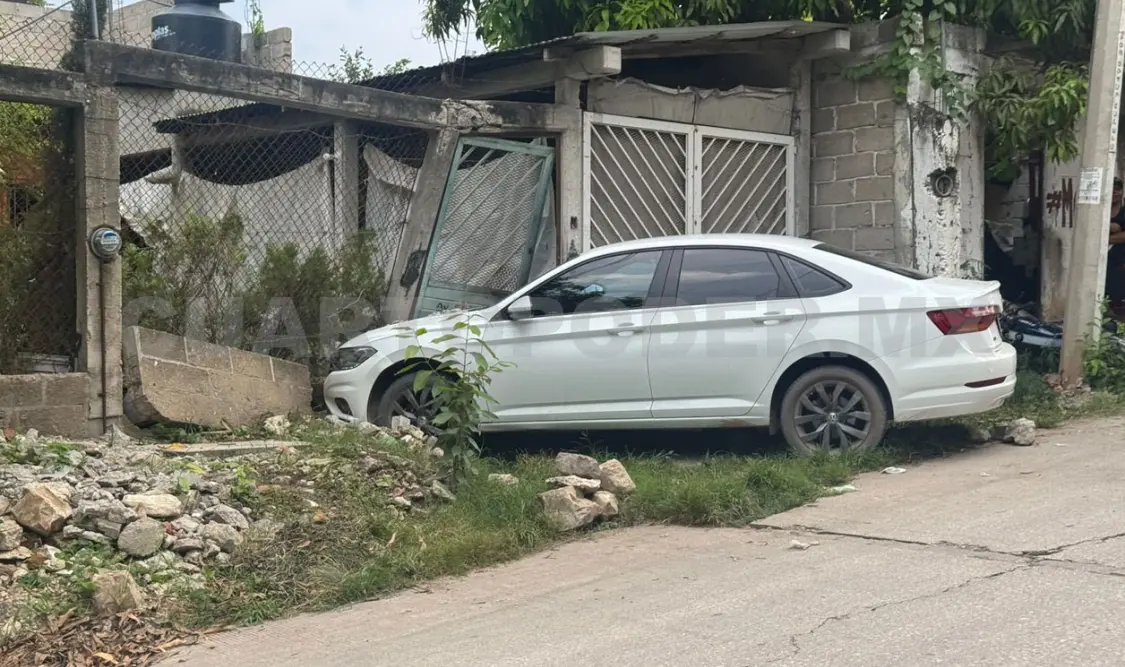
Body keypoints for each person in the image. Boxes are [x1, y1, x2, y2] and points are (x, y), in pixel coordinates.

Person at [1106, 178, 1125, 316]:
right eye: (1111, 190)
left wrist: (1106, 238)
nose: (1115, 193)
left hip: (1120, 260)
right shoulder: (1100, 209)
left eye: (1117, 190)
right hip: (1104, 261)